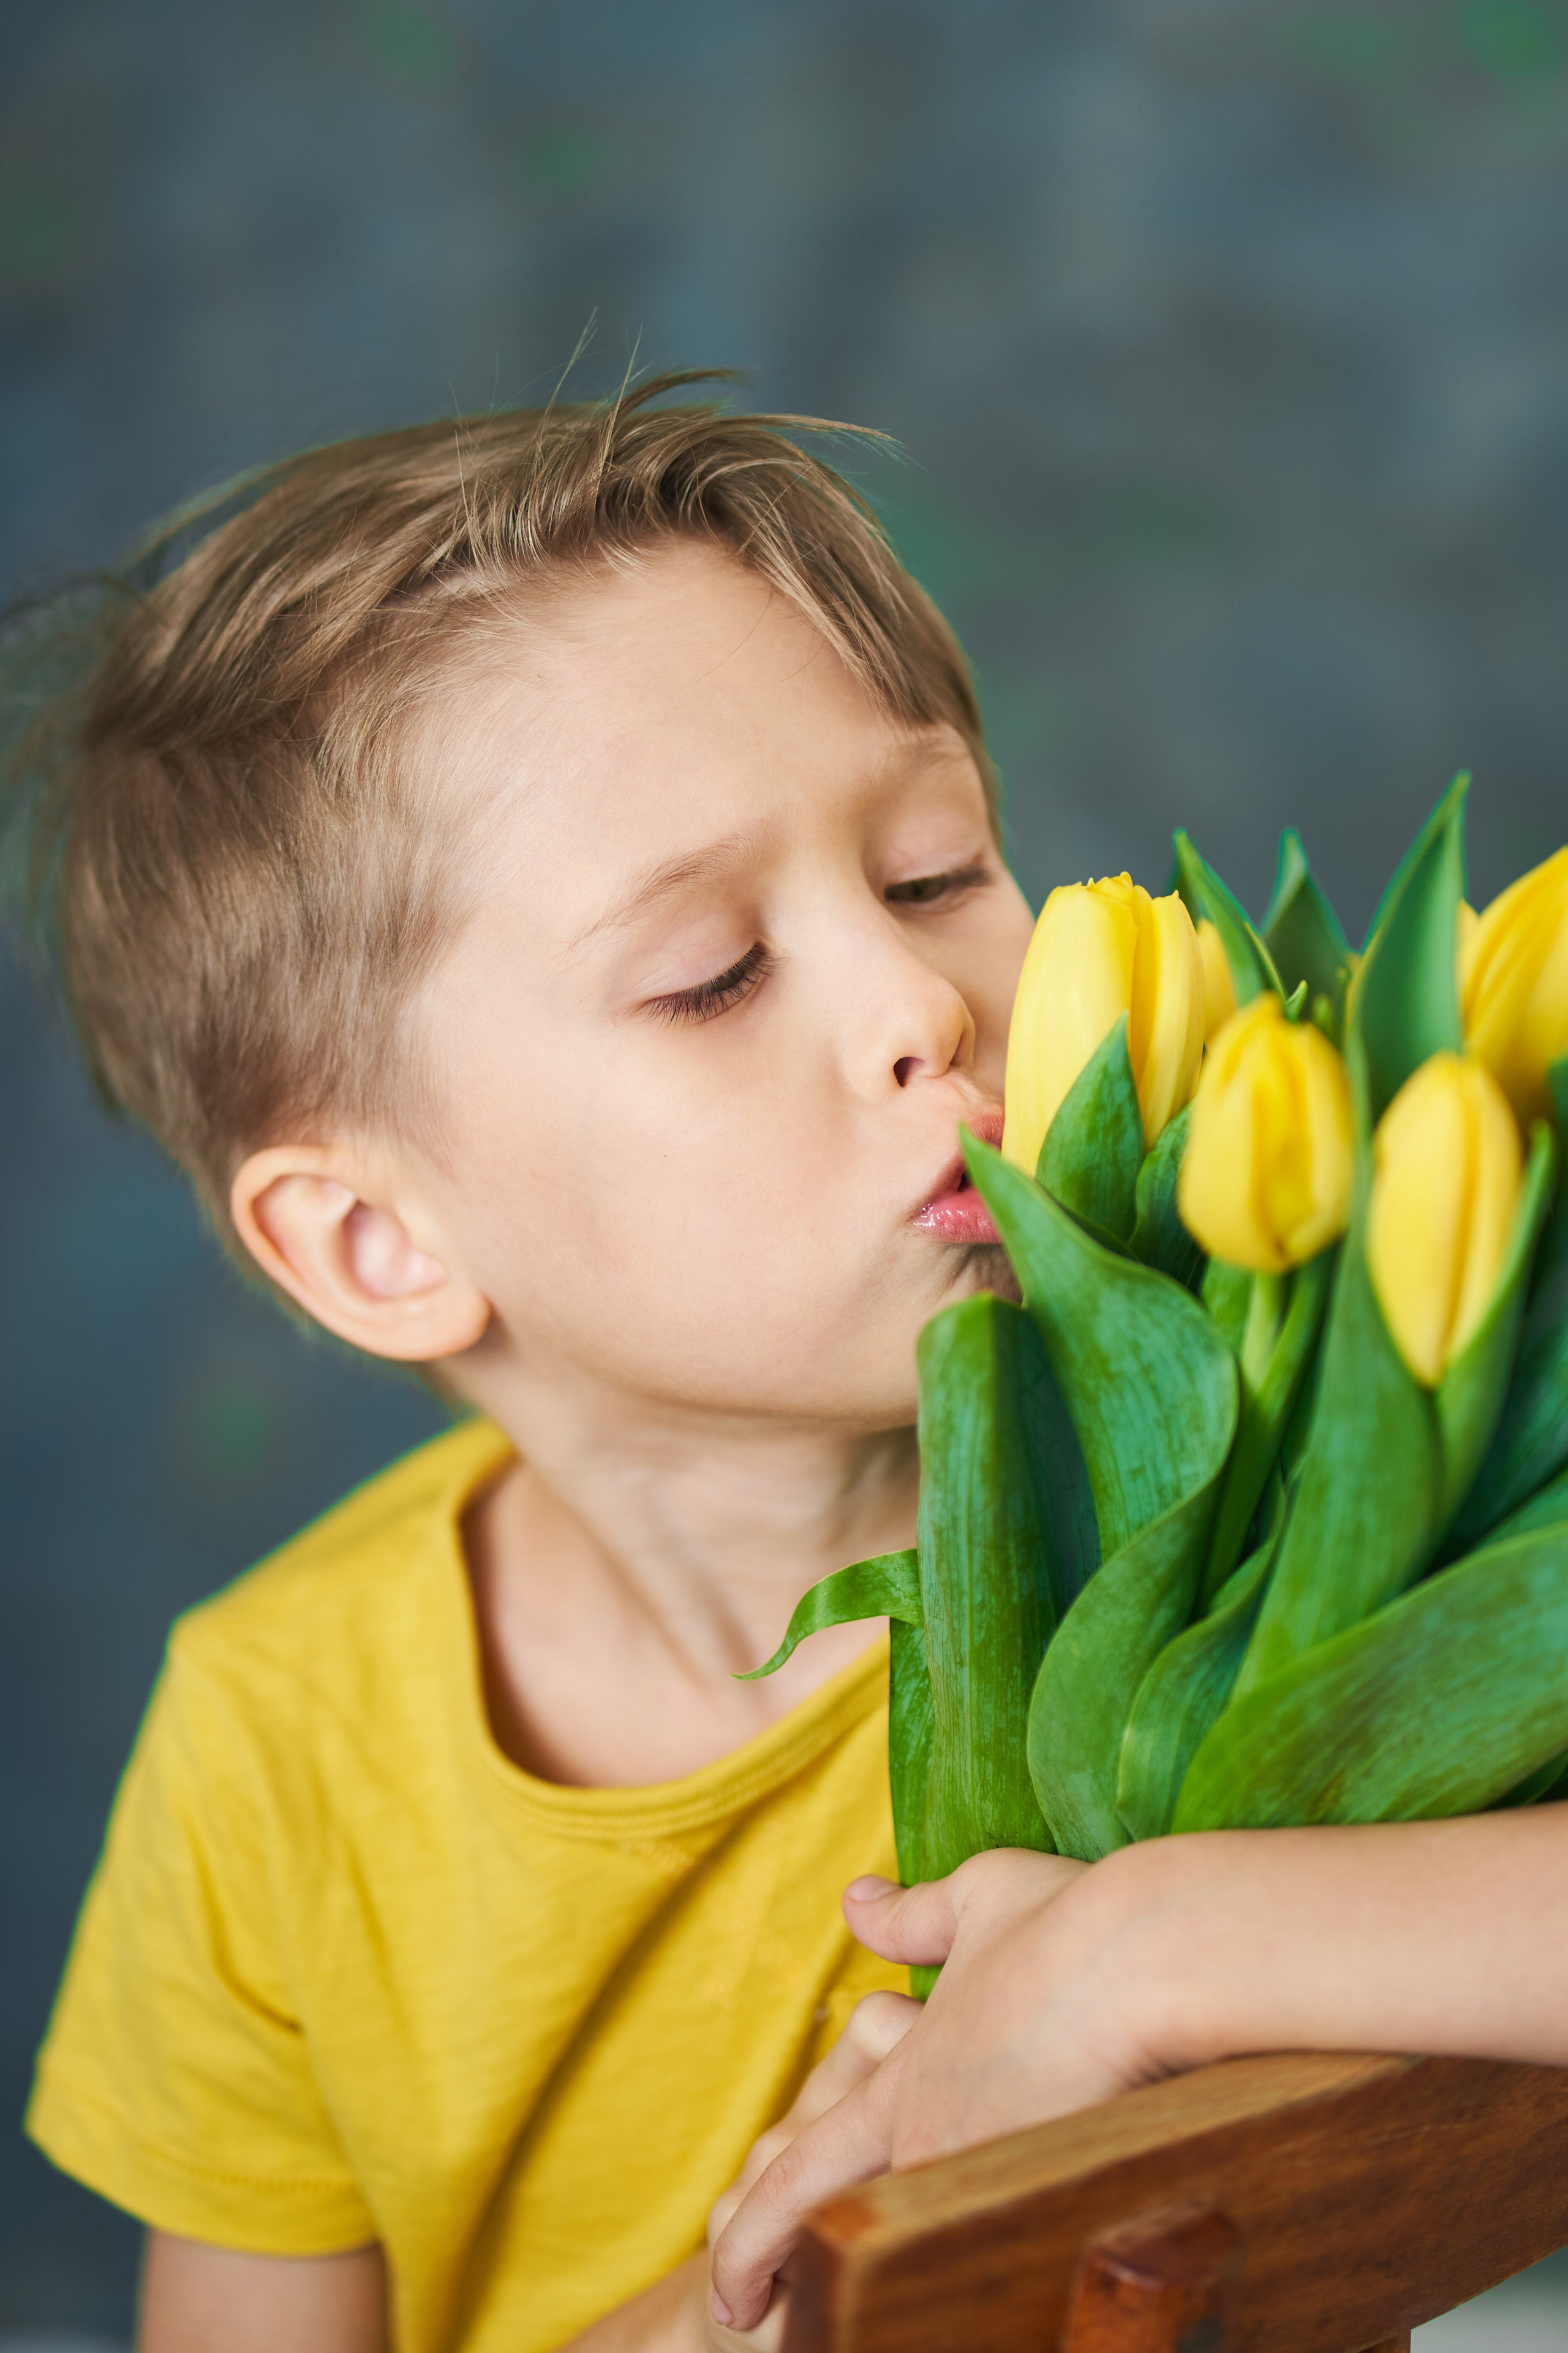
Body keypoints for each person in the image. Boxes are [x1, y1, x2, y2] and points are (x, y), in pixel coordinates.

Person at [13, 374, 1566, 2353]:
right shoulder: (276, 1747)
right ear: (379, 1244)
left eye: (932, 869)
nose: (926, 1000)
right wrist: (779, 2301)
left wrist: (1132, 1954)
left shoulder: (1270, 1502)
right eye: (711, 974)